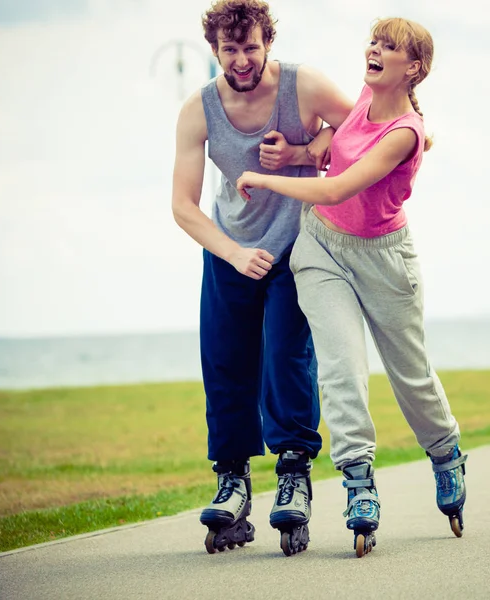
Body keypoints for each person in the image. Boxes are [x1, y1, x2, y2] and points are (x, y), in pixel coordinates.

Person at [236, 16, 468, 558]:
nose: (374, 50)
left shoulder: (406, 132)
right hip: (321, 245)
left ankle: (444, 451)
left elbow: (340, 184)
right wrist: (298, 153)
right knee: (341, 369)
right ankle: (359, 483)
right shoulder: (366, 95)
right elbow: (337, 138)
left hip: (385, 259)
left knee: (409, 374)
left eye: (389, 47)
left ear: (414, 68)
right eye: (373, 41)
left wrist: (263, 177)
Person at [171, 0, 353, 556]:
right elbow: (182, 206)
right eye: (231, 49)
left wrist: (305, 148)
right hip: (231, 250)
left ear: (267, 41)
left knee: (284, 359)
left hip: (299, 247)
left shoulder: (305, 86)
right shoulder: (198, 109)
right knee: (225, 362)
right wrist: (231, 253)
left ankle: (294, 473)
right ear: (214, 50)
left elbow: (365, 129)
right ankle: (232, 482)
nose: (243, 59)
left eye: (251, 46)